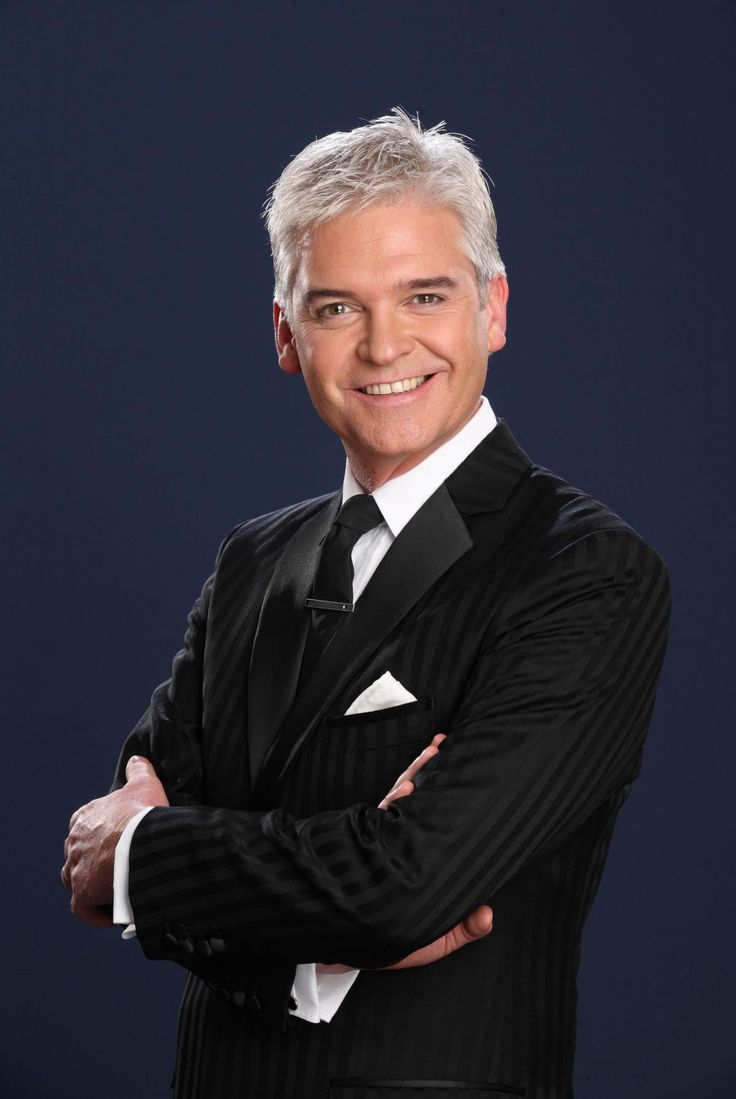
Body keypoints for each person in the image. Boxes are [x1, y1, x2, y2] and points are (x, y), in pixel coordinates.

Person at [62, 108, 672, 1099]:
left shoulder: (585, 570)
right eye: (337, 306)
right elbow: (120, 851)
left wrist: (145, 858)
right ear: (286, 334)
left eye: (424, 294)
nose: (385, 345)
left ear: (493, 309)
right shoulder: (252, 560)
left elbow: (402, 886)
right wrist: (309, 940)